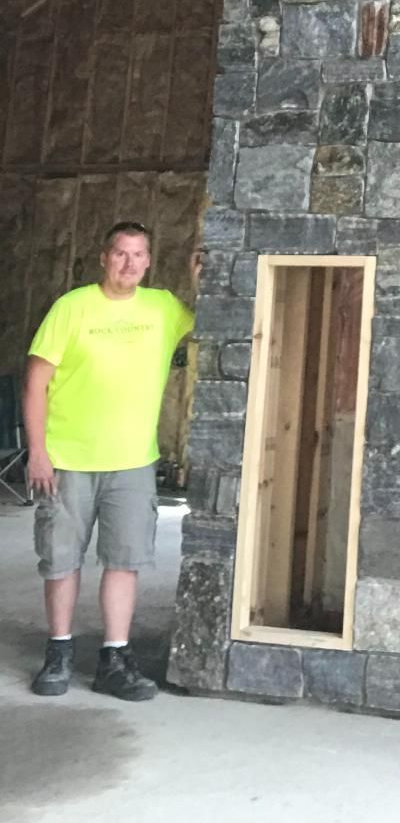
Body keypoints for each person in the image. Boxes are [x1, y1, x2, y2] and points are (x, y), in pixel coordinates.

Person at [22, 221, 199, 701]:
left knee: (125, 561)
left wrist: (200, 276)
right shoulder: (72, 307)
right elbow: (35, 381)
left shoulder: (163, 308)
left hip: (133, 461)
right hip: (68, 457)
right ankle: (58, 652)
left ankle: (114, 659)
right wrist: (38, 451)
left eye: (139, 255)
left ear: (148, 261)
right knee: (61, 559)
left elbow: (213, 317)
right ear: (105, 257)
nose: (129, 264)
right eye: (121, 254)